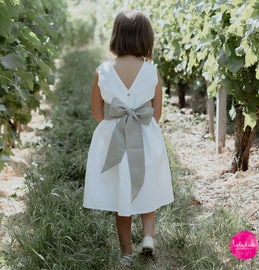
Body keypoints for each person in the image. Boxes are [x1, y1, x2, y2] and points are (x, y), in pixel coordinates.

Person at [83, 10, 174, 267]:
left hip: (115, 139)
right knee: (147, 187)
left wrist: (118, 124)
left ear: (116, 37)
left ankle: (126, 250)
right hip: (146, 139)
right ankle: (148, 236)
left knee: (120, 193)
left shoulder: (102, 71)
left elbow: (97, 113)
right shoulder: (152, 71)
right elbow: (155, 114)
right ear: (147, 39)